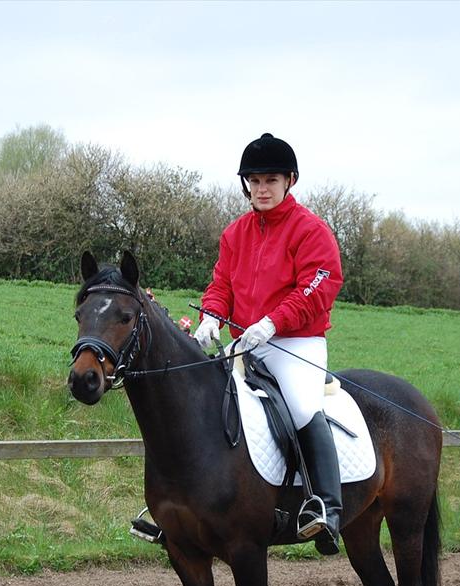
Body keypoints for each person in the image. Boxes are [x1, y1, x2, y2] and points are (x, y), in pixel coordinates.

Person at [133, 132, 345, 555]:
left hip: (295, 344)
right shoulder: (236, 233)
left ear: (289, 181)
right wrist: (211, 315)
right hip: (244, 343)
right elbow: (222, 285)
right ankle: (178, 507)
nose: (261, 189)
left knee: (302, 406)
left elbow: (319, 287)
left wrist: (273, 322)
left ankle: (325, 507)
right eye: (254, 181)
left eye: (270, 180)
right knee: (201, 401)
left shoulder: (312, 231)